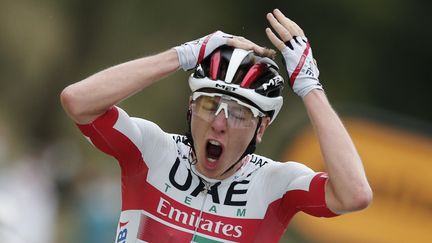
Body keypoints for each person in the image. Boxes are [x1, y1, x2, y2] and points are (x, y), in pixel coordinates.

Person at [61, 9, 372, 243]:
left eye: (238, 114)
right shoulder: (152, 149)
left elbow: (354, 194)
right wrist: (182, 55)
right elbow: (78, 101)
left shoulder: (275, 184)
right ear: (190, 107)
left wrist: (309, 87)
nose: (219, 123)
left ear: (261, 129)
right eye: (209, 105)